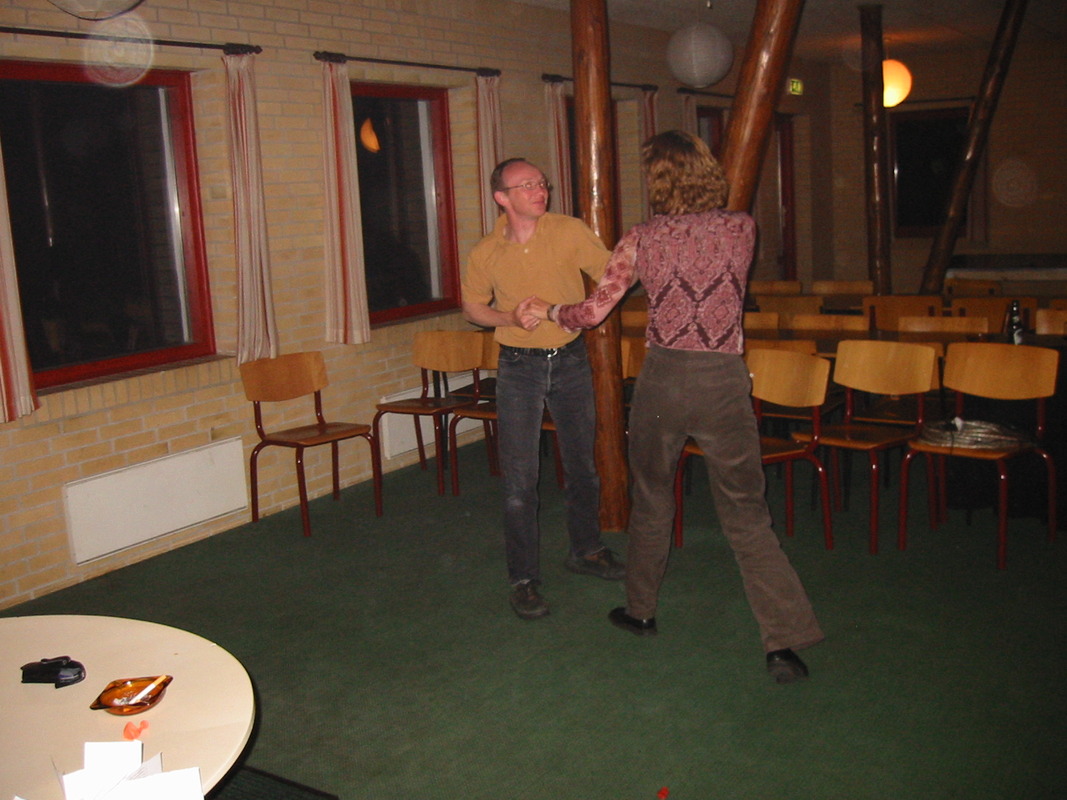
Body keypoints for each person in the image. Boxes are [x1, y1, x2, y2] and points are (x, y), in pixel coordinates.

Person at [529, 131, 823, 683]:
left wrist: (548, 310)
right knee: (747, 515)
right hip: (722, 382)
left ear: (657, 181)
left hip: (663, 381)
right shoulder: (742, 227)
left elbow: (592, 312)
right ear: (708, 170)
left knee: (652, 500)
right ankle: (783, 643)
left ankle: (641, 611)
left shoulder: (642, 238)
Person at [461, 157, 626, 621]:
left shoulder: (569, 230)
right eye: (527, 185)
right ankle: (523, 579)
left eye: (541, 183)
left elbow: (614, 274)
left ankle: (586, 550)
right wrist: (509, 317)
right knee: (519, 480)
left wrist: (579, 311)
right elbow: (473, 308)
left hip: (570, 360)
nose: (540, 190)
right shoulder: (486, 252)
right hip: (518, 367)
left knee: (582, 466)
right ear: (502, 198)